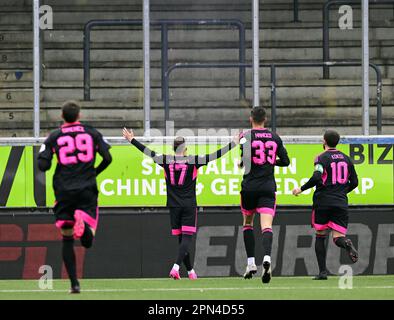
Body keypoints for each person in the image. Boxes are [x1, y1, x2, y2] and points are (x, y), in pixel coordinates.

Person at [123, 128, 239, 280]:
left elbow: (147, 151)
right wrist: (233, 144)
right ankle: (176, 267)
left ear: (173, 148)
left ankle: (190, 271)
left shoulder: (165, 160)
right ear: (185, 149)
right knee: (186, 239)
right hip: (189, 205)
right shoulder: (193, 161)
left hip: (173, 205)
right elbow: (215, 155)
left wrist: (132, 140)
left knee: (181, 240)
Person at [38, 101, 112, 293]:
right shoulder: (91, 133)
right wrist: (94, 172)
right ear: (79, 115)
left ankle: (74, 284)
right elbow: (108, 158)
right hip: (87, 188)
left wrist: (47, 156)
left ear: (62, 116)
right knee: (87, 241)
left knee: (67, 239)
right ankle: (84, 225)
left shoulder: (54, 136)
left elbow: (43, 166)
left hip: (64, 191)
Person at [292, 129, 359, 280]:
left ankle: (322, 272)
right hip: (340, 202)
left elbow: (317, 177)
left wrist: (300, 189)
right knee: (338, 238)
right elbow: (355, 182)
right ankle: (346, 243)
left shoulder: (321, 158)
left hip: (323, 202)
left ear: (324, 141)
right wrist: (341, 192)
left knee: (320, 235)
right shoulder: (347, 159)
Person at [239, 106, 290, 284]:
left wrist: (242, 162)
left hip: (249, 187)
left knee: (247, 223)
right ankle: (267, 258)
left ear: (250, 118)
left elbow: (245, 160)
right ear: (265, 119)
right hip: (268, 186)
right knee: (266, 226)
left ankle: (251, 263)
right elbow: (286, 161)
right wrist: (270, 162)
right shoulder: (275, 137)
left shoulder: (245, 136)